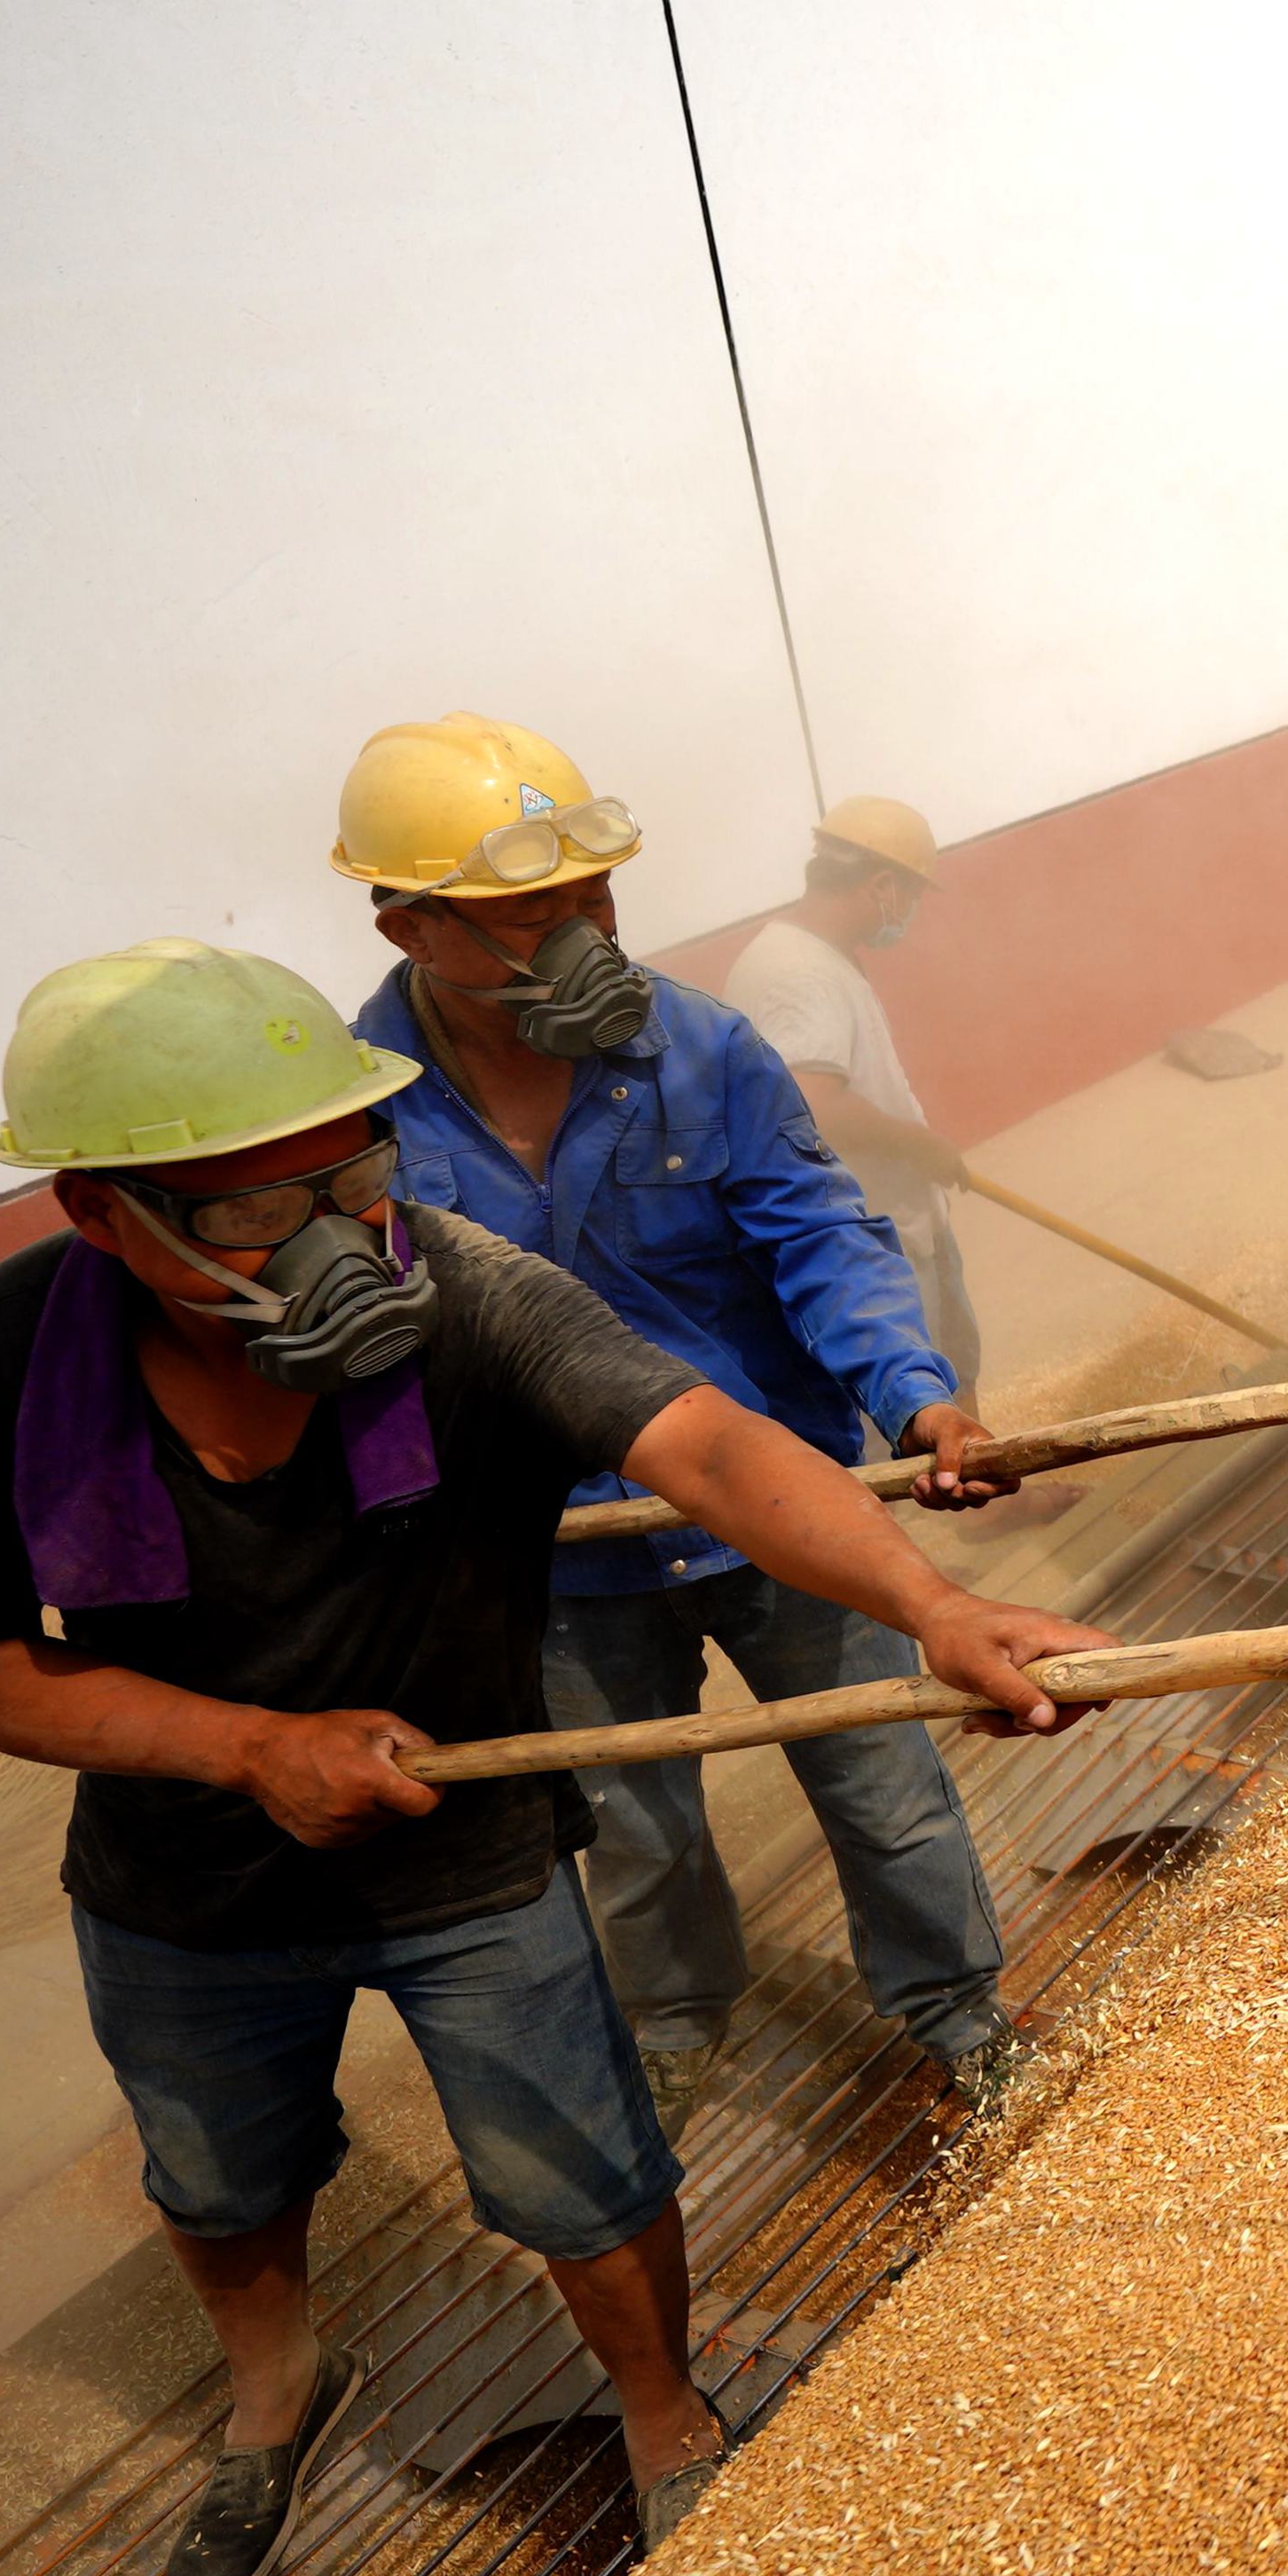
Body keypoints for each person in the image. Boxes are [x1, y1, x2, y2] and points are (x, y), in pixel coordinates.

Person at [0, 940, 1101, 2576]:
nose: (330, 1240)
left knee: (581, 2174)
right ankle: (278, 2396)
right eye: (249, 1214)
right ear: (104, 1215)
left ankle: (665, 2413)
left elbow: (715, 1447)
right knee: (221, 2183)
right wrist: (244, 1746)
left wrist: (932, 1605)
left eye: (348, 1174)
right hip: (182, 1881)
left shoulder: (463, 1292)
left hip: (465, 1848)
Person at [326, 716, 1025, 2129]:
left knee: (882, 1784)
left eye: (595, 900)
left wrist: (911, 1387)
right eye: (531, 915)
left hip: (778, 1502)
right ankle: (680, 2022)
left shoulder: (703, 1051)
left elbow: (820, 1230)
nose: (583, 940)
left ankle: (955, 2013)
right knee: (637, 1826)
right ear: (410, 924)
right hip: (566, 1547)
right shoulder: (354, 1119)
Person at [722, 797, 980, 1399]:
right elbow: (814, 1104)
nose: (908, 911)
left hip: (905, 1220)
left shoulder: (811, 958)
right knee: (916, 1399)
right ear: (882, 886)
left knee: (956, 1370)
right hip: (870, 1242)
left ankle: (997, 1495)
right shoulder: (797, 972)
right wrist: (924, 1145)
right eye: (910, 894)